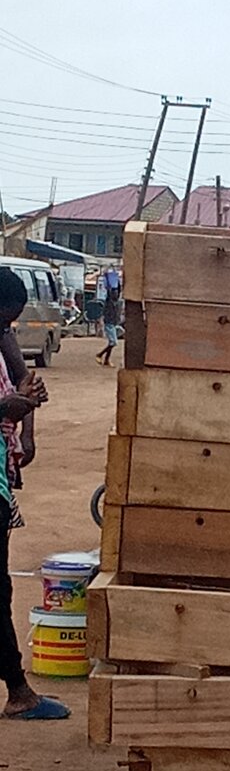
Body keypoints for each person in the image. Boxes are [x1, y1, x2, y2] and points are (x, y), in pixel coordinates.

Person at [0, 268, 69, 719]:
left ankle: (19, 689)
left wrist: (27, 418)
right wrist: (15, 407)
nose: (7, 330)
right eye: (5, 320)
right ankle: (19, 691)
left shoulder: (2, 342)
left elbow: (22, 385)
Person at [95, 283, 120, 368]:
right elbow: (110, 292)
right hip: (109, 323)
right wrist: (111, 283)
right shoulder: (109, 301)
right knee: (113, 342)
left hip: (112, 323)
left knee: (111, 342)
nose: (116, 294)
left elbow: (119, 290)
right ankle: (99, 354)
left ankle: (106, 360)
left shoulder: (116, 302)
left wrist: (117, 282)